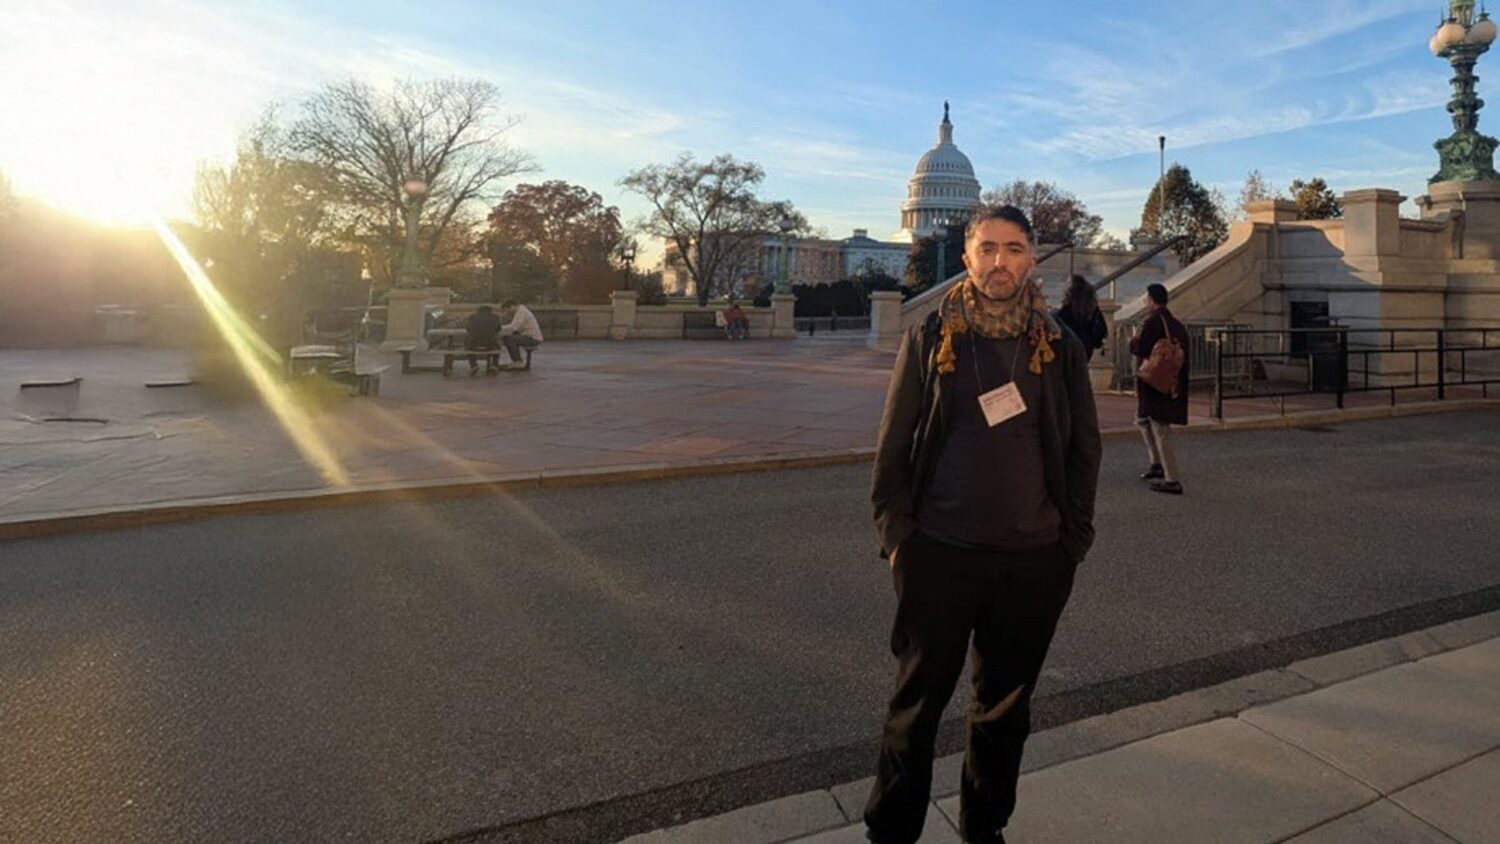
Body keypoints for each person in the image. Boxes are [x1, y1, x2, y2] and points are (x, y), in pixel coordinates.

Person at [866, 204, 1102, 844]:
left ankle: (984, 826)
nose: (1002, 261)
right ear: (969, 257)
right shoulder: (930, 337)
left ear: (1032, 259)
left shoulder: (1060, 346)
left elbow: (1084, 451)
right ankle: (891, 830)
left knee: (1004, 710)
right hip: (940, 553)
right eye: (989, 248)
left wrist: (1070, 542)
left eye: (1015, 249)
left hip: (1034, 560)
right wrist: (899, 542)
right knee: (915, 708)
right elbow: (892, 450)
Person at [1130, 283, 1189, 495]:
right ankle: (1157, 463)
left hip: (1154, 383)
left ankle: (1172, 478)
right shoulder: (1176, 324)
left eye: (1147, 299)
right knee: (1144, 420)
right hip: (1170, 382)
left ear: (1153, 300)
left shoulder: (1153, 322)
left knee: (1159, 427)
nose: (1145, 302)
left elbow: (1141, 348)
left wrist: (1134, 342)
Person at [1053, 274, 1108, 358]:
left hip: (1068, 352)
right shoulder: (1093, 309)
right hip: (1085, 351)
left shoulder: (1066, 311)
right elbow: (1101, 334)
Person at [499, 299, 543, 369]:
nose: (507, 312)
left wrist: (499, 327)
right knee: (507, 339)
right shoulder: (521, 310)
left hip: (532, 338)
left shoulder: (521, 312)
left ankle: (518, 362)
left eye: (507, 309)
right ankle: (516, 361)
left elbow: (514, 327)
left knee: (510, 340)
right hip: (528, 336)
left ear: (511, 306)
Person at [464, 305, 503, 376]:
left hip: (474, 345)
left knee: (467, 345)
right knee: (498, 346)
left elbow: (468, 329)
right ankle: (494, 365)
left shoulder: (472, 317)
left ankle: (473, 365)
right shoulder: (495, 317)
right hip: (491, 345)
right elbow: (498, 329)